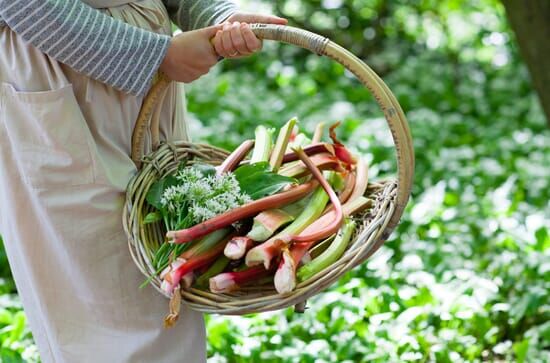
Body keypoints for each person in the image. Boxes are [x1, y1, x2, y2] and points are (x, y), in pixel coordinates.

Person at [0, 1, 286, 362]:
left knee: (165, 283)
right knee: (104, 308)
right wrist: (155, 55)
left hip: (150, 75)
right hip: (63, 66)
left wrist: (218, 14)